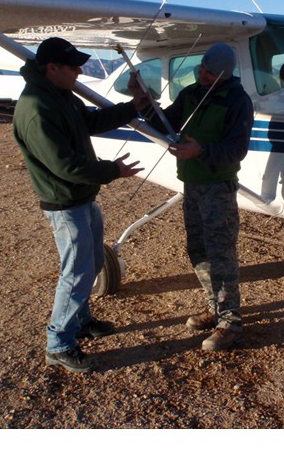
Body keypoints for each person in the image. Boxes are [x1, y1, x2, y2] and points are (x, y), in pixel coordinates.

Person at [13, 37, 146, 374]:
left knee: (94, 260)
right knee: (76, 273)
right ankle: (58, 343)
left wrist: (135, 106)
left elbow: (91, 121)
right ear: (51, 67)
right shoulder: (37, 107)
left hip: (83, 198)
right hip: (65, 202)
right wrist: (112, 170)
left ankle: (82, 320)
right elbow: (65, 166)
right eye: (73, 66)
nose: (79, 71)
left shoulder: (59, 95)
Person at [131, 43, 253, 351]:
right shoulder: (191, 94)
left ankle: (230, 322)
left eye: (209, 71)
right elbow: (164, 123)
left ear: (224, 73)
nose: (202, 73)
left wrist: (201, 151)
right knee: (197, 249)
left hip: (217, 187)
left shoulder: (237, 101)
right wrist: (143, 102)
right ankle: (214, 308)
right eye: (201, 68)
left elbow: (237, 149)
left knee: (220, 253)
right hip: (192, 185)